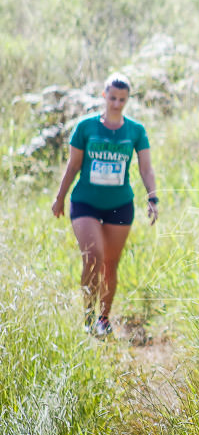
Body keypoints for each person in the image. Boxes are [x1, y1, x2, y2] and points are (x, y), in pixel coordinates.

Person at [52, 73, 158, 336]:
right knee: (93, 258)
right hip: (85, 202)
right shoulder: (86, 127)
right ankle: (87, 318)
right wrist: (60, 197)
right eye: (112, 98)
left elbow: (146, 168)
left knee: (111, 264)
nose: (116, 104)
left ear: (127, 100)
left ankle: (103, 319)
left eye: (122, 100)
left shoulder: (136, 131)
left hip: (119, 205)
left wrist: (152, 197)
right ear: (104, 96)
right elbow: (73, 165)